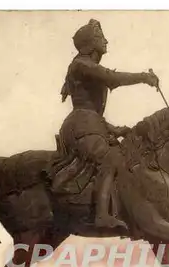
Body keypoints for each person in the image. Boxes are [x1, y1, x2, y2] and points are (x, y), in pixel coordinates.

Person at [59, 19, 159, 229]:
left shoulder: (85, 65)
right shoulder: (81, 64)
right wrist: (144, 77)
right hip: (81, 127)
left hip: (91, 126)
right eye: (100, 38)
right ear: (90, 43)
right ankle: (102, 215)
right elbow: (111, 78)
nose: (106, 41)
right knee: (112, 159)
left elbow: (94, 112)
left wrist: (115, 129)